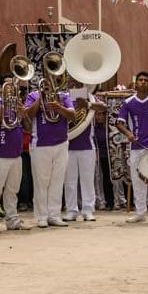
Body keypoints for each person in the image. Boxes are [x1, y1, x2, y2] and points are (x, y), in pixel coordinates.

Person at [116, 71, 148, 224]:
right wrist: (128, 133)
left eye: (146, 80)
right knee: (138, 181)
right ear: (136, 83)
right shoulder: (128, 102)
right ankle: (140, 212)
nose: (143, 82)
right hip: (136, 146)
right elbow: (119, 123)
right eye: (140, 80)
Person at [25, 75, 76, 228]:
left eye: (53, 81)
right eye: (47, 82)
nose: (50, 84)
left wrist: (59, 108)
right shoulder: (33, 95)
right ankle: (41, 216)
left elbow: (72, 115)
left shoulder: (63, 96)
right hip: (40, 144)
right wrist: (40, 97)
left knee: (57, 180)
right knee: (41, 182)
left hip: (61, 143)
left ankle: (54, 215)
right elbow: (28, 114)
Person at [0, 76, 29, 232]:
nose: (12, 88)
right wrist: (5, 104)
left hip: (16, 155)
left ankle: (12, 219)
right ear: (0, 88)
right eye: (8, 85)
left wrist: (23, 112)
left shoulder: (18, 104)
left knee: (12, 190)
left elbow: (28, 128)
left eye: (13, 85)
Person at [63, 80, 98, 222]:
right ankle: (71, 210)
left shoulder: (90, 98)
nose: (75, 87)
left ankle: (88, 210)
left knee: (87, 180)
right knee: (69, 181)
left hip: (87, 147)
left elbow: (103, 107)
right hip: (68, 145)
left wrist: (87, 104)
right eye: (73, 84)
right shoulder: (64, 98)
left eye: (79, 85)